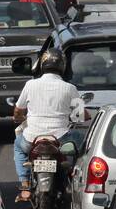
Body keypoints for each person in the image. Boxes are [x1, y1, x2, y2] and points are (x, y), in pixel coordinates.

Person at [13, 48, 79, 200]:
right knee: (84, 146)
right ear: (63, 66)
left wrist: (20, 117)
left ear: (42, 65)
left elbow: (18, 111)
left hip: (32, 138)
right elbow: (81, 115)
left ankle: (24, 185)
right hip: (61, 139)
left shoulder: (30, 85)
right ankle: (76, 178)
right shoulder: (70, 88)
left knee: (18, 146)